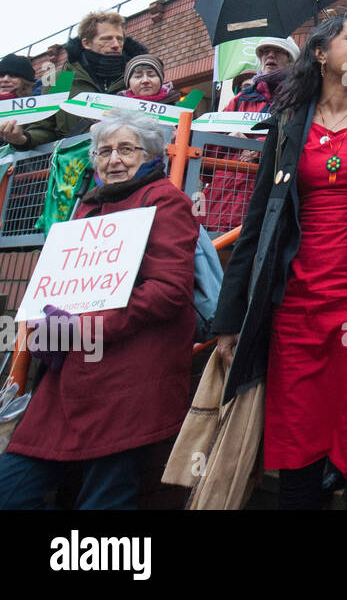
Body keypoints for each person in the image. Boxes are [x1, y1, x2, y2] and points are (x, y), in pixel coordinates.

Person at [212, 11, 347, 510]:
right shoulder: (288, 124)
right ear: (321, 54)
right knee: (298, 446)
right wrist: (229, 318)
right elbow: (259, 222)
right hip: (296, 309)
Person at [0, 110, 198, 509]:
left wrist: (85, 327)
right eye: (104, 151)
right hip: (69, 379)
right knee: (12, 488)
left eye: (127, 149)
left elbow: (168, 290)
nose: (114, 160)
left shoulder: (165, 201)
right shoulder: (88, 207)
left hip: (128, 379)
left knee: (106, 498)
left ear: (151, 155)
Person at [1, 10, 148, 149]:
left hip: (130, 165)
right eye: (107, 39)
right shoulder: (61, 79)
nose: (116, 45)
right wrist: (22, 139)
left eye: (119, 39)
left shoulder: (138, 77)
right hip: (74, 168)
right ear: (86, 43)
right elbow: (44, 128)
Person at [201, 37, 299, 234]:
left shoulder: (299, 100)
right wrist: (229, 139)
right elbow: (206, 151)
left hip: (265, 202)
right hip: (221, 204)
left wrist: (259, 148)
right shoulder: (239, 100)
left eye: (277, 51)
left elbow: (298, 140)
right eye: (264, 51)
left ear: (291, 59)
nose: (269, 55)